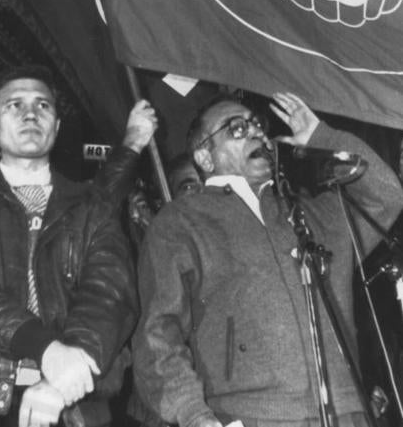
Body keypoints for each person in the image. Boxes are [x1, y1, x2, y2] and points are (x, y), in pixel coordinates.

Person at [133, 91, 403, 427]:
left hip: (347, 413)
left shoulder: (313, 214)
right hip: (254, 415)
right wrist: (193, 416)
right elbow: (157, 334)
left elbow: (387, 195)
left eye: (258, 125)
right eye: (237, 128)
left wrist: (320, 134)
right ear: (205, 156)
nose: (256, 133)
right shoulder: (180, 222)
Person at [0, 65, 141, 427]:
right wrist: (46, 349)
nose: (30, 113)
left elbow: (111, 293)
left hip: (76, 400)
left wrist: (66, 373)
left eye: (43, 106)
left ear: (56, 127)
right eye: (14, 105)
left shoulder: (93, 205)